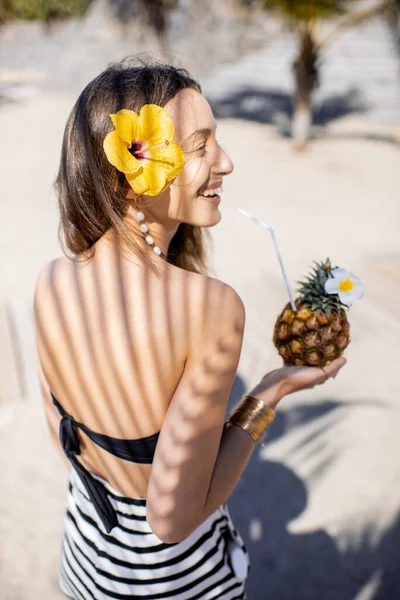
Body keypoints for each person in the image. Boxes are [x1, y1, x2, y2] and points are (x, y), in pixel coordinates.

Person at [33, 58, 346, 600]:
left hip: (86, 554)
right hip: (167, 580)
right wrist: (270, 392)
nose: (225, 162)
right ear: (128, 169)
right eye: (200, 145)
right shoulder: (211, 308)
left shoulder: (52, 280)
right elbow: (172, 521)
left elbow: (66, 444)